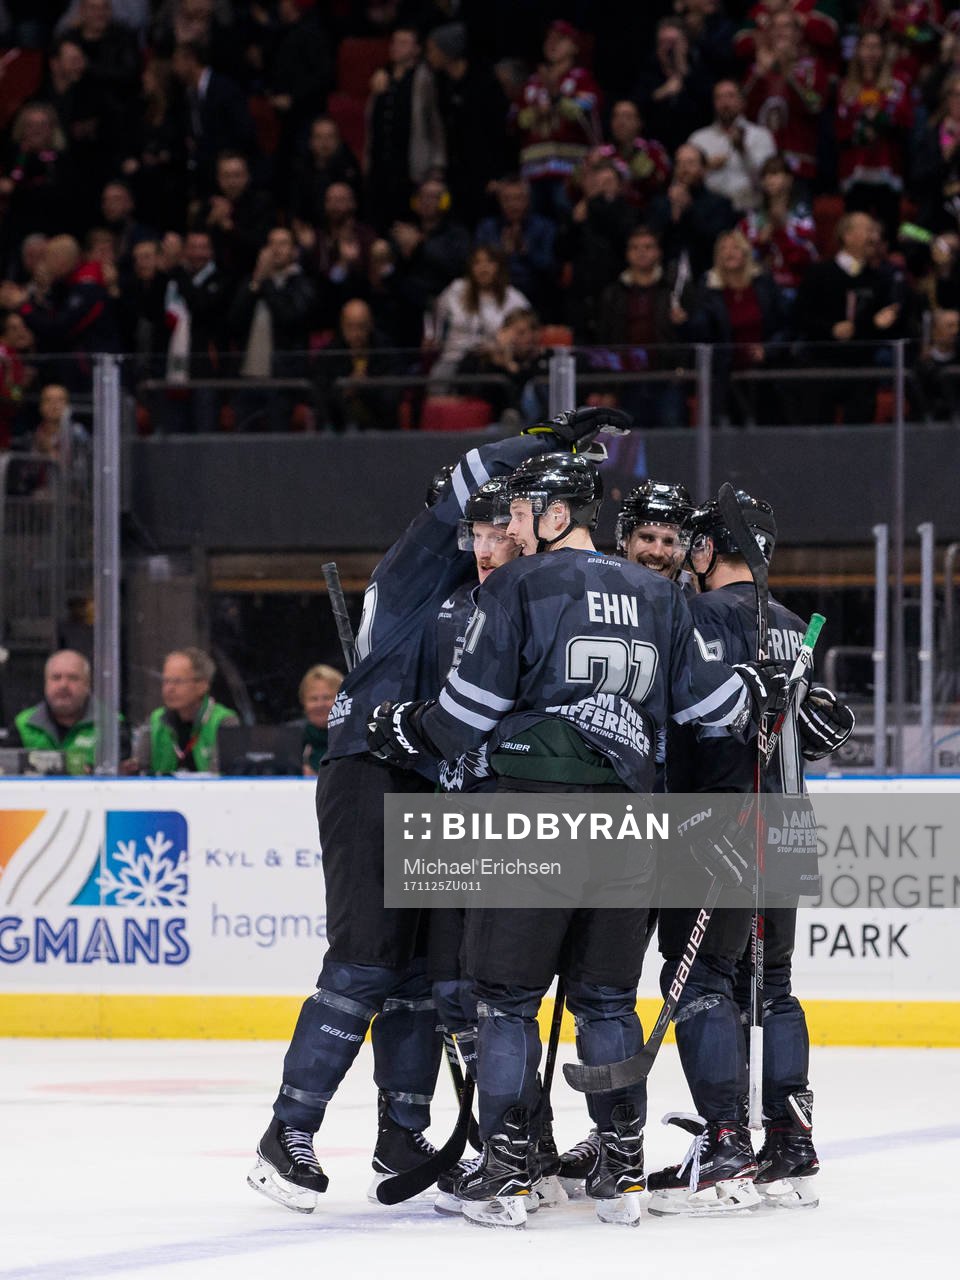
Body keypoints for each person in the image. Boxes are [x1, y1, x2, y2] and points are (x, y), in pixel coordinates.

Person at [368, 453, 793, 1229]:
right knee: (606, 999)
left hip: (537, 811)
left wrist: (403, 725)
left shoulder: (518, 585)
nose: (512, 527)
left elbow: (467, 714)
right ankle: (621, 1168)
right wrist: (767, 692)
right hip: (631, 822)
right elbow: (715, 711)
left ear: (558, 514)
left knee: (505, 1001)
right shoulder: (660, 596)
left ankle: (508, 1173)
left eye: (523, 511)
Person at [246, 409, 632, 1217]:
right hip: (373, 770)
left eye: (502, 528)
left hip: (439, 783)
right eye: (480, 526)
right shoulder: (420, 564)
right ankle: (288, 1134)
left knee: (431, 975)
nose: (491, 539)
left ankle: (405, 1132)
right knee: (367, 962)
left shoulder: (504, 592)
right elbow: (474, 475)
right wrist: (551, 439)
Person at [649, 491, 855, 1216]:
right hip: (789, 820)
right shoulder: (794, 627)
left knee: (701, 977)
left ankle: (725, 1143)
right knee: (774, 983)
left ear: (707, 549)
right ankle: (791, 1143)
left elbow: (687, 721)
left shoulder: (696, 615)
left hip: (721, 816)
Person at [595, 226, 695, 427]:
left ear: (658, 252)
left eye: (648, 247)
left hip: (667, 378)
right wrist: (606, 388)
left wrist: (683, 324)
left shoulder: (674, 290)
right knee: (629, 439)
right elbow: (605, 340)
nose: (641, 252)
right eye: (635, 247)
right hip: (626, 382)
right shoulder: (613, 293)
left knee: (671, 435)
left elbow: (691, 335)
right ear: (627, 254)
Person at [691, 229, 788, 425]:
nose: (729, 252)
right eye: (724, 248)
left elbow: (785, 324)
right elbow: (701, 332)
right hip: (725, 378)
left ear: (746, 252)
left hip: (765, 375)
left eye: (735, 247)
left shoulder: (763, 283)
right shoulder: (708, 288)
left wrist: (768, 349)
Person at [515, 19, 601, 220]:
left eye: (560, 39)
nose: (552, 43)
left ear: (574, 46)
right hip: (534, 171)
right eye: (549, 39)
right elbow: (517, 119)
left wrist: (557, 97)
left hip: (569, 173)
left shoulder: (581, 78)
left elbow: (584, 111)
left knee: (566, 218)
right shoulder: (533, 83)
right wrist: (536, 112)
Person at [835, 30, 912, 243]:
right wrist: (860, 127)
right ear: (858, 50)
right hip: (855, 171)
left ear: (884, 51)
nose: (871, 52)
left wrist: (882, 117)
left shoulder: (897, 85)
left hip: (887, 170)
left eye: (876, 46)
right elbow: (839, 128)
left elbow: (906, 121)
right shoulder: (846, 87)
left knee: (887, 234)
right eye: (866, 46)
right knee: (855, 233)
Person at [13, 649, 127, 774]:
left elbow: (121, 776)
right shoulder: (23, 724)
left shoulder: (112, 725)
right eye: (56, 678)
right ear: (46, 683)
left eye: (73, 678)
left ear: (87, 685)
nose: (63, 685)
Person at [430, 246, 529, 386]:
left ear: (499, 267)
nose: (483, 268)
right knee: (437, 379)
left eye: (489, 262)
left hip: (492, 363)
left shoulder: (514, 298)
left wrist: (500, 346)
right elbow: (435, 316)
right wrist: (434, 337)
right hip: (453, 358)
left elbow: (526, 331)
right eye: (477, 263)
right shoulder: (456, 289)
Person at [136, 646, 238, 774]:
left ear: (202, 686)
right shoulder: (155, 720)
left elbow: (224, 775)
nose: (169, 689)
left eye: (177, 682)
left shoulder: (224, 721)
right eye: (166, 681)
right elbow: (139, 770)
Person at [688, 80, 777, 214]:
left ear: (742, 102)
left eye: (730, 96)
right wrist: (706, 166)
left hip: (749, 210)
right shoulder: (698, 139)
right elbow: (684, 179)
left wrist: (743, 151)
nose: (725, 103)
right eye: (719, 97)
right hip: (708, 213)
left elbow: (768, 180)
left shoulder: (761, 136)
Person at [738, 154, 817, 300]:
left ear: (789, 179)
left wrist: (781, 231)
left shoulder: (802, 216)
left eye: (775, 173)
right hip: (762, 289)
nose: (769, 179)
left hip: (797, 287)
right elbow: (744, 257)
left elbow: (806, 258)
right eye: (765, 176)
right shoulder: (753, 218)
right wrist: (761, 243)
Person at [615, 480, 694, 581]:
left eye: (669, 542)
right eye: (648, 538)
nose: (657, 553)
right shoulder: (600, 586)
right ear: (626, 540)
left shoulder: (695, 591)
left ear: (684, 550)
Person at [298, 664, 344, 776]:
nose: (320, 705)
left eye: (327, 697)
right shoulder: (291, 740)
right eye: (313, 699)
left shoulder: (356, 740)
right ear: (303, 702)